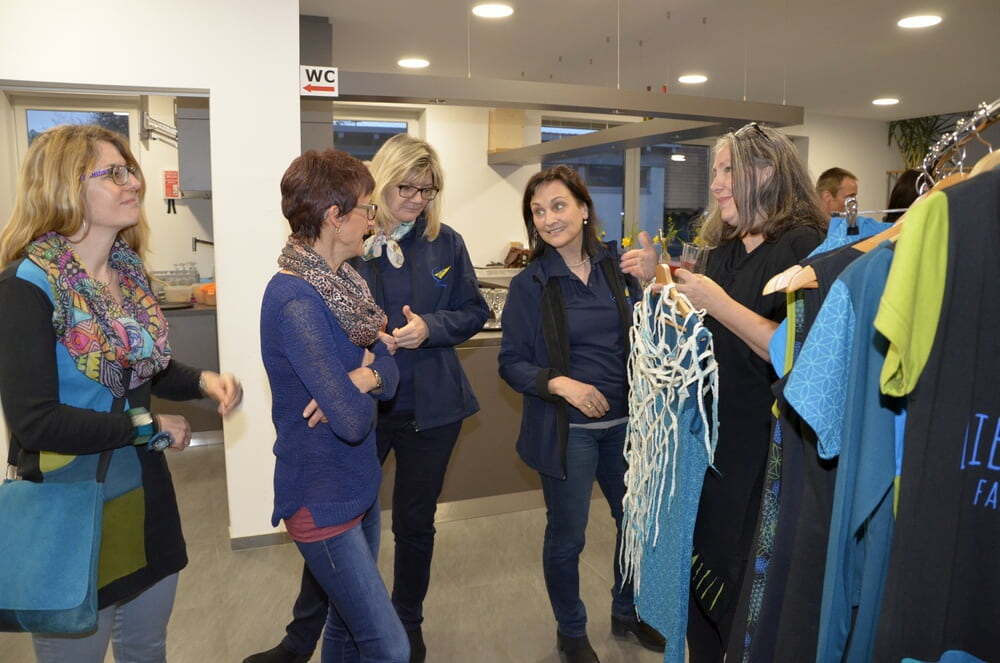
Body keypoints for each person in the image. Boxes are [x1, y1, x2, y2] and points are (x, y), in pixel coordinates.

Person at [0, 124, 242, 663]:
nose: (133, 182)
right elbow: (36, 422)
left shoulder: (128, 276)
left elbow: (142, 369)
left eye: (130, 170)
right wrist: (146, 426)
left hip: (144, 493)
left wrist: (201, 381)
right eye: (113, 173)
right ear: (65, 186)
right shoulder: (25, 286)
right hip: (70, 503)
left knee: (146, 648)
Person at [247, 135, 488, 663]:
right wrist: (346, 381)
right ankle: (302, 638)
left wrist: (428, 329)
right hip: (363, 419)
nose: (416, 199)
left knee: (413, 526)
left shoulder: (445, 243)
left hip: (430, 404)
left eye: (428, 190)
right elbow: (350, 351)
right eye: (406, 187)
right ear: (378, 188)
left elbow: (473, 311)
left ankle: (406, 625)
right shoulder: (347, 255)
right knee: (340, 539)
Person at [621, 123, 827, 661]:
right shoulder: (723, 250)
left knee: (743, 596)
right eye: (714, 170)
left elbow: (799, 353)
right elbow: (704, 336)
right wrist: (662, 287)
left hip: (765, 454)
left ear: (767, 171)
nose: (715, 183)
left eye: (727, 169)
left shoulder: (805, 247)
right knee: (701, 587)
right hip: (711, 448)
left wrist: (717, 302)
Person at [499, 165, 666, 663]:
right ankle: (571, 631)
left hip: (627, 426)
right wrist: (561, 383)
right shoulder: (531, 283)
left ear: (584, 209)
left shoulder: (619, 267)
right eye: (538, 211)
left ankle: (626, 611)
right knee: (567, 536)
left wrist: (655, 277)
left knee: (634, 524)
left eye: (558, 205)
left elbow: (659, 329)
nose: (549, 219)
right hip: (568, 430)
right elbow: (511, 362)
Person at [259, 148, 409, 663]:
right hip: (321, 497)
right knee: (390, 646)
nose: (372, 220)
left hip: (358, 484)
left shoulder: (346, 288)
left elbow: (389, 363)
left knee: (345, 632)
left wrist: (364, 376)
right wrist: (362, 386)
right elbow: (352, 422)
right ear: (334, 217)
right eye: (366, 209)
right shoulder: (297, 301)